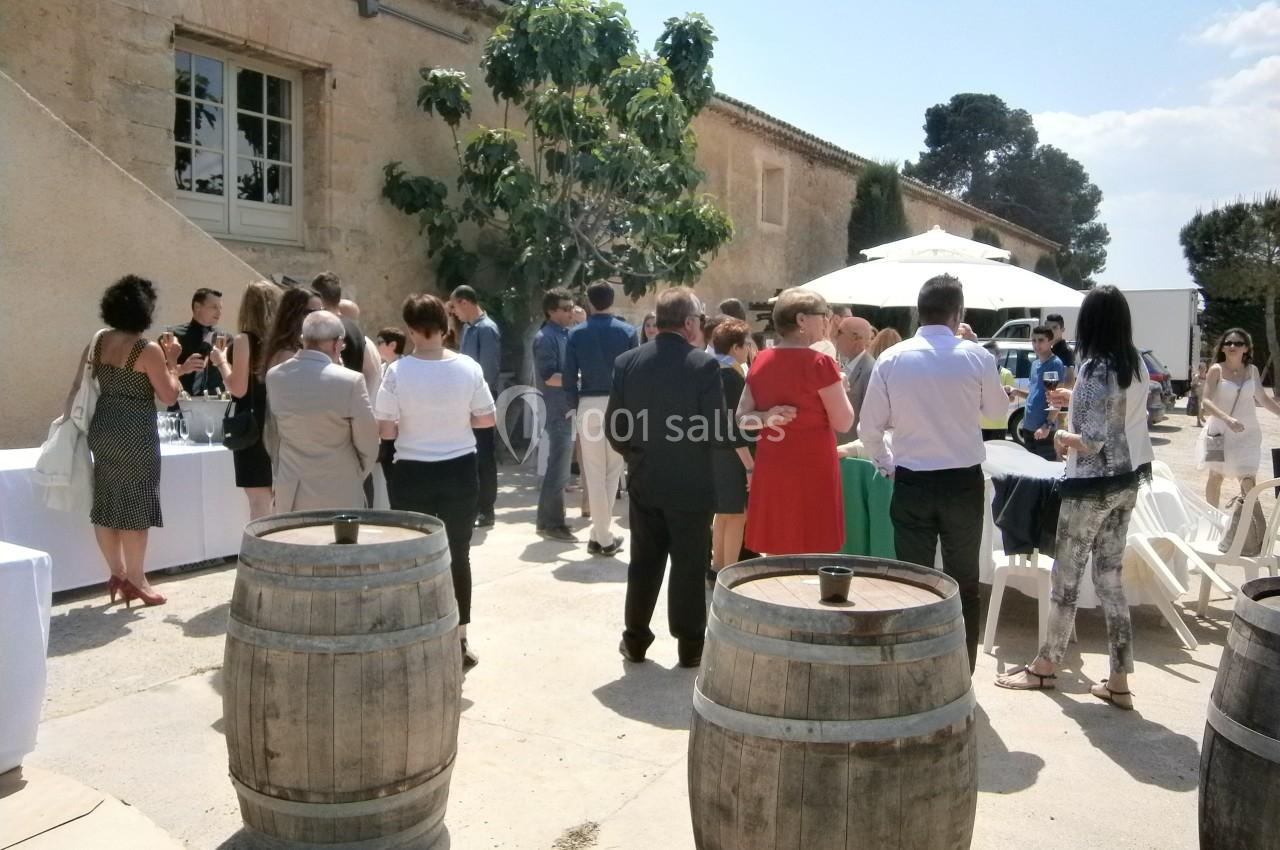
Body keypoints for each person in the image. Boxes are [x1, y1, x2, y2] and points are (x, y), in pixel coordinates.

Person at [995, 286, 1152, 708]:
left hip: (1090, 486)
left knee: (1066, 578)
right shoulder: (1133, 362)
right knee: (1110, 581)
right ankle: (1119, 679)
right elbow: (1118, 415)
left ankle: (1046, 665)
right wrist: (1073, 399)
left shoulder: (1095, 366)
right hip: (1127, 481)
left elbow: (1095, 439)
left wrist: (1063, 436)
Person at [858, 275, 1010, 672]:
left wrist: (887, 464)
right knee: (964, 581)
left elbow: (869, 429)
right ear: (958, 313)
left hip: (912, 480)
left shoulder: (892, 358)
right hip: (962, 481)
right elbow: (997, 413)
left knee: (913, 579)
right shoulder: (976, 356)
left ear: (917, 311)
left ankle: (912, 667)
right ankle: (962, 669)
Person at [60, 275, 203, 607]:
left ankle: (118, 573)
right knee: (136, 502)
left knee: (107, 499)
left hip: (103, 426)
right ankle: (138, 580)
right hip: (135, 430)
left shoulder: (97, 342)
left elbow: (76, 387)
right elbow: (168, 396)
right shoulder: (146, 348)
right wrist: (171, 361)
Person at [376, 294, 496, 670]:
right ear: (446, 328)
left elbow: (387, 429)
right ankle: (459, 639)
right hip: (460, 467)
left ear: (410, 330)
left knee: (412, 556)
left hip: (412, 471)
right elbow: (486, 420)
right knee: (458, 554)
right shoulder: (469, 368)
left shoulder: (395, 372)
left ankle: (415, 635)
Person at [607, 287, 726, 667]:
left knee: (643, 562)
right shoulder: (703, 366)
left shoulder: (627, 362)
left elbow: (615, 428)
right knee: (689, 566)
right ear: (690, 324)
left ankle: (636, 639)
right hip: (691, 482)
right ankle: (690, 646)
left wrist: (639, 456)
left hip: (645, 478)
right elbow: (717, 430)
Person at [737, 288, 853, 555]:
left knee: (777, 547)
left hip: (774, 462)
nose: (828, 321)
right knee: (815, 547)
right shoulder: (821, 363)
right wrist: (841, 388)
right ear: (801, 320)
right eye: (823, 315)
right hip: (813, 465)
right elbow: (844, 421)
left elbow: (742, 418)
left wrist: (766, 418)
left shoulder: (761, 359)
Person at [264, 311, 379, 512]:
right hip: (340, 488)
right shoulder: (351, 381)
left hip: (292, 489)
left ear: (303, 340)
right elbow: (368, 443)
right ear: (337, 344)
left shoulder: (275, 376)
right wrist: (352, 475)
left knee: (295, 543)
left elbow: (271, 436)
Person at [565, 281, 637, 556]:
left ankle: (600, 535)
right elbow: (633, 373)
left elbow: (569, 376)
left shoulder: (576, 334)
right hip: (619, 405)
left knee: (593, 473)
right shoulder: (628, 331)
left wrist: (576, 404)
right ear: (612, 299)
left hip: (589, 403)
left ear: (589, 300)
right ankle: (602, 536)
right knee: (612, 472)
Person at [207, 281, 281, 520]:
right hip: (282, 419)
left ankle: (262, 554)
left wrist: (220, 362)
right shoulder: (285, 342)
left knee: (259, 501)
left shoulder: (244, 341)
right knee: (280, 498)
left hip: (253, 423)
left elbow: (238, 389)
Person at [1197, 328, 1280, 507]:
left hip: (1248, 434)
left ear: (1246, 349)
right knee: (1215, 476)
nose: (1232, 346)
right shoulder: (1216, 370)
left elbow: (1263, 398)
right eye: (1228, 343)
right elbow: (1206, 401)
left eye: (1238, 343)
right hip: (1217, 433)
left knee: (1248, 478)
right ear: (1222, 348)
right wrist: (1228, 419)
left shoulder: (1253, 371)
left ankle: (1248, 524)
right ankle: (1213, 518)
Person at [450, 284, 501, 528]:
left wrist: (475, 402)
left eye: (454, 307)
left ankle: (486, 509)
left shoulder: (486, 329)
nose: (454, 314)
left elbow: (488, 371)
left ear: (465, 302)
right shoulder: (470, 329)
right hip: (465, 402)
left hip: (479, 403)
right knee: (470, 456)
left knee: (484, 458)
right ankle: (473, 506)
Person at [709, 319, 755, 580]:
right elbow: (733, 425)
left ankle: (717, 568)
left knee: (724, 514)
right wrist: (749, 464)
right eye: (747, 344)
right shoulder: (731, 376)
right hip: (733, 454)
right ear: (737, 347)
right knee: (737, 515)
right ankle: (727, 573)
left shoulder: (715, 371)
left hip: (718, 451)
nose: (749, 348)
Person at [532, 288, 578, 541]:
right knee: (558, 469)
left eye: (572, 307)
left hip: (567, 408)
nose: (571, 312)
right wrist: (579, 380)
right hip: (557, 409)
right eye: (565, 308)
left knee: (561, 468)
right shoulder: (546, 337)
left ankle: (551, 521)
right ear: (551, 311)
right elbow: (549, 377)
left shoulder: (565, 334)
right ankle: (551, 523)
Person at [310, 273, 382, 399]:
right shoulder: (359, 334)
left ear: (317, 298)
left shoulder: (321, 332)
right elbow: (373, 376)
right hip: (352, 409)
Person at [1009, 326, 1064, 460]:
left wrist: (1047, 426)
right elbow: (1034, 395)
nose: (1036, 344)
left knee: (1045, 472)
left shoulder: (1054, 364)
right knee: (1031, 469)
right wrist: (1015, 391)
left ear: (1050, 342)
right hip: (1028, 427)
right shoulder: (1035, 365)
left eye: (1041, 340)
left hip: (1044, 430)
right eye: (1034, 340)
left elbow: (1055, 400)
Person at [170, 287, 225, 397]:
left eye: (220, 308)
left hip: (216, 407)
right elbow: (159, 374)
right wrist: (183, 369)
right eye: (214, 307)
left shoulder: (225, 339)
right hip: (181, 405)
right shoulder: (174, 336)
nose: (219, 312)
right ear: (197, 307)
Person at [833, 316, 875, 440]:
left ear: (856, 338)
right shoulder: (849, 365)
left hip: (854, 448)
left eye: (840, 332)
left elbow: (871, 417)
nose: (835, 336)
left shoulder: (870, 370)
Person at [263, 287, 323, 371]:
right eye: (312, 313)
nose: (320, 318)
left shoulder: (300, 349)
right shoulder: (287, 355)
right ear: (294, 316)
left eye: (322, 312)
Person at [980, 341, 1016, 441]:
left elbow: (1012, 399)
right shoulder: (979, 372)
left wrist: (1002, 393)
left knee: (998, 455)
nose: (987, 358)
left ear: (999, 355)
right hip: (980, 424)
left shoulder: (1006, 374)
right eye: (984, 355)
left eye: (990, 355)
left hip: (999, 424)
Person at [1045, 312, 1076, 386]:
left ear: (1062, 329)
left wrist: (1052, 391)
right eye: (1048, 328)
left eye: (1054, 328)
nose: (1051, 331)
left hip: (1055, 395)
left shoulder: (1065, 351)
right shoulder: (1049, 349)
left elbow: (1070, 382)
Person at [1188, 361, 1207, 426]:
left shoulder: (1207, 376)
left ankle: (1201, 416)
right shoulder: (1196, 377)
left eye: (1204, 368)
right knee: (1199, 408)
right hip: (1197, 395)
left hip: (1205, 394)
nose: (1203, 370)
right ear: (1199, 369)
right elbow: (1192, 385)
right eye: (1201, 368)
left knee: (1205, 407)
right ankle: (1198, 421)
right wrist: (1196, 385)